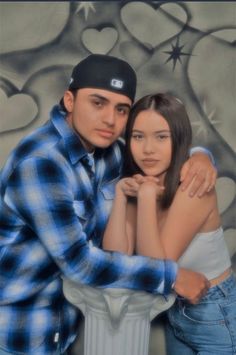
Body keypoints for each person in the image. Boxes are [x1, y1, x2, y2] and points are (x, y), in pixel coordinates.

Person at [0, 54, 215, 355]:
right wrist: (171, 276)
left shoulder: (108, 152)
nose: (110, 120)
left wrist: (201, 157)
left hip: (65, 329)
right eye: (97, 103)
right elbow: (80, 262)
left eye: (121, 109)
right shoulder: (42, 162)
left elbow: (157, 152)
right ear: (70, 101)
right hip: (17, 331)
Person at [102, 92, 236, 354]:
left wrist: (147, 198)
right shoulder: (140, 183)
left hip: (214, 312)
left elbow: (156, 266)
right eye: (138, 137)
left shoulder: (193, 186)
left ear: (179, 139)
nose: (148, 149)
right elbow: (115, 256)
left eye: (161, 137)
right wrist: (120, 196)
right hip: (175, 309)